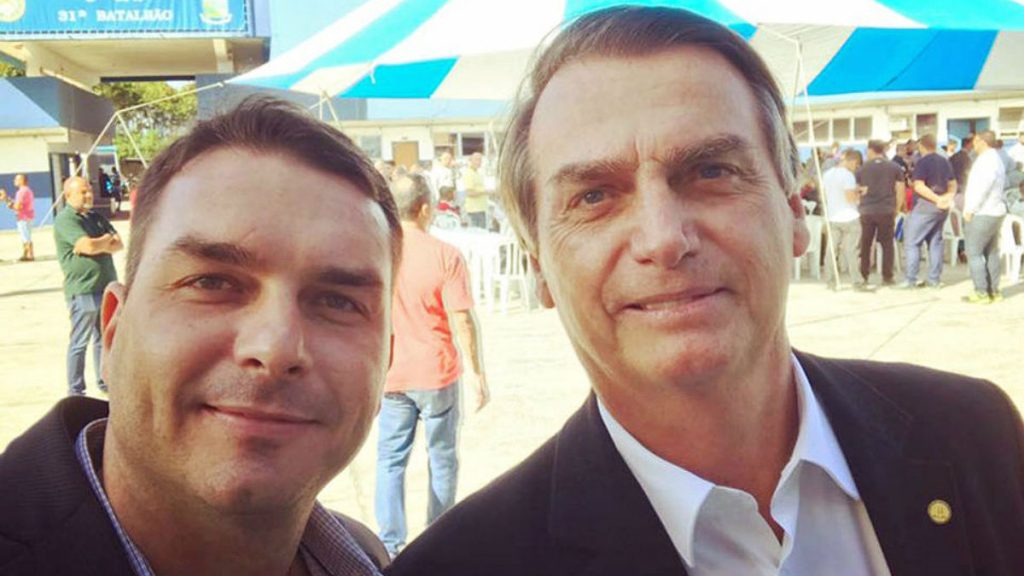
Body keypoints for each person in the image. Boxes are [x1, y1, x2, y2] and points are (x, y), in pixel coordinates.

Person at [387, 7, 1024, 576]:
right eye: (594, 196)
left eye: (711, 171)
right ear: (539, 266)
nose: (663, 239)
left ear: (793, 210)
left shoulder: (976, 437)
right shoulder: (462, 564)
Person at [0, 97, 398, 574]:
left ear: (386, 363)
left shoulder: (370, 557)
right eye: (211, 282)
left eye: (338, 302)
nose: (275, 347)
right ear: (113, 330)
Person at [375, 173, 489, 559]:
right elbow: (463, 320)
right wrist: (477, 374)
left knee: (390, 460)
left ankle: (390, 544)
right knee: (442, 457)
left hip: (393, 373)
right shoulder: (445, 255)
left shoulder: (381, 253)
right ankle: (438, 539)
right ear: (425, 209)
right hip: (436, 373)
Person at [54, 176, 122, 396]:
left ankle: (104, 381)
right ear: (68, 195)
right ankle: (76, 390)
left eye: (89, 190)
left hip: (105, 287)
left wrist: (97, 242)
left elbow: (118, 243)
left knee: (103, 339)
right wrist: (103, 241)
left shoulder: (95, 217)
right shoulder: (66, 220)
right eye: (83, 192)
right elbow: (88, 246)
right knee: (79, 342)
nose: (89, 195)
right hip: (84, 290)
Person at [897, 134, 956, 289]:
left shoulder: (922, 162)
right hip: (941, 209)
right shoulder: (944, 161)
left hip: (924, 208)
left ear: (921, 146)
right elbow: (953, 184)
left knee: (912, 242)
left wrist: (936, 199)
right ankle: (934, 279)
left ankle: (911, 279)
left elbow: (919, 186)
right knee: (935, 242)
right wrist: (946, 198)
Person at [962, 131, 1008, 304]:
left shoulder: (986, 161)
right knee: (991, 252)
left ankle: (981, 292)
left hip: (983, 212)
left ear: (982, 141)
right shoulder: (996, 159)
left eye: (975, 141)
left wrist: (970, 209)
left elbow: (982, 187)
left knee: (973, 253)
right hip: (995, 211)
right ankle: (993, 291)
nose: (973, 145)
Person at [857, 140, 905, 286]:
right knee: (887, 244)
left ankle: (864, 274)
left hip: (867, 210)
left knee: (866, 244)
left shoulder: (862, 168)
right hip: (886, 209)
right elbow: (900, 190)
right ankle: (887, 276)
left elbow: (857, 190)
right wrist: (897, 208)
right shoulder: (895, 167)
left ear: (870, 150)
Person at [821, 149, 864, 289]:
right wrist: (860, 193)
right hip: (849, 216)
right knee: (851, 251)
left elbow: (826, 195)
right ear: (852, 160)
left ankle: (830, 280)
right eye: (856, 165)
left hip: (833, 216)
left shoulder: (827, 174)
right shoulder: (848, 175)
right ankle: (856, 281)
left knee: (831, 250)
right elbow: (850, 198)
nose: (856, 168)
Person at [1, 174, 35, 261]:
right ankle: (26, 254)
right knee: (26, 235)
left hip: (23, 216)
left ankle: (30, 255)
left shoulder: (21, 192)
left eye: (16, 179)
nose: (14, 181)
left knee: (25, 236)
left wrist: (9, 203)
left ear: (22, 180)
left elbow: (17, 206)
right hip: (29, 216)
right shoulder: (28, 190)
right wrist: (7, 199)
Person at [461, 152, 488, 228]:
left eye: (480, 160)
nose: (479, 162)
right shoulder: (469, 173)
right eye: (477, 160)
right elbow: (469, 192)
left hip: (480, 208)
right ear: (471, 161)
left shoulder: (477, 173)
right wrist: (486, 192)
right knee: (477, 233)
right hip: (474, 210)